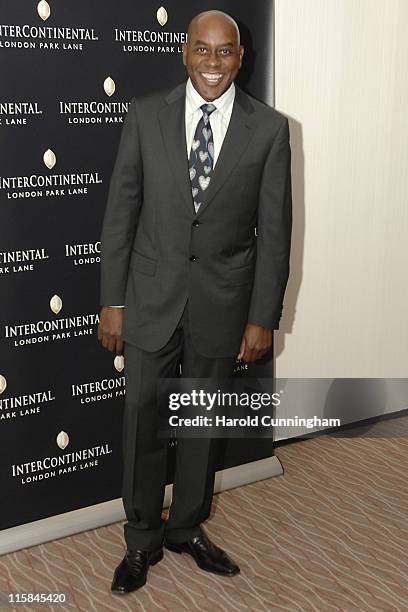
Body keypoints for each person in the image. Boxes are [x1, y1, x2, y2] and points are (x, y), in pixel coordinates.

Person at [98, 9, 292, 595]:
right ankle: (140, 539)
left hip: (223, 303)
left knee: (203, 423)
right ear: (185, 53)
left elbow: (276, 231)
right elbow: (120, 214)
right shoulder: (144, 115)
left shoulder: (270, 129)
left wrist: (262, 316)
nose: (213, 63)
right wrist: (113, 302)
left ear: (241, 57)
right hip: (150, 300)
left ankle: (185, 528)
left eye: (225, 52)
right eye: (202, 51)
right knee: (141, 420)